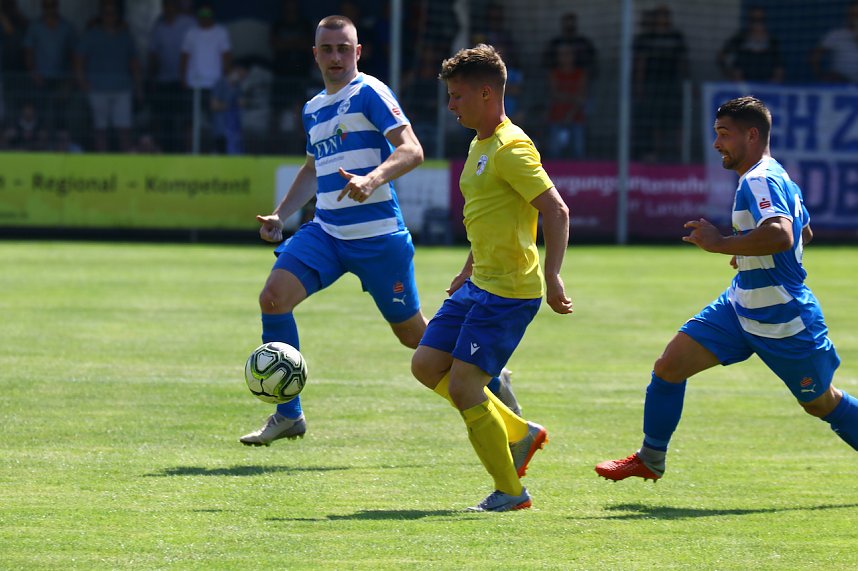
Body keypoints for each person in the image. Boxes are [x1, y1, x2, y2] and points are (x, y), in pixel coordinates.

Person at [238, 17, 523, 447]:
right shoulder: (313, 108)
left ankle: (491, 378)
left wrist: (372, 179)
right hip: (327, 232)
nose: (335, 56)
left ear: (357, 52)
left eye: (343, 48)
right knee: (272, 298)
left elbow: (412, 150)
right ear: (315, 55)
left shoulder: (369, 92)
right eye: (327, 49)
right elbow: (314, 168)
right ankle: (288, 413)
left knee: (415, 338)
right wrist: (281, 214)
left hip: (378, 239)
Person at [595, 96, 858, 483]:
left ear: (752, 135)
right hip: (739, 306)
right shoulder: (773, 173)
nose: (716, 143)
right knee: (669, 367)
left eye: (723, 134)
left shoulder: (759, 178)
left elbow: (783, 235)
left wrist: (722, 243)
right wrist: (749, 253)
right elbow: (804, 231)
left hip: (782, 316)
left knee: (821, 403)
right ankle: (651, 457)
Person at [411, 44, 573, 512]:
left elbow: (556, 209)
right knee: (425, 365)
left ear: (487, 93)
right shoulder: (479, 142)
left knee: (463, 387)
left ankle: (511, 491)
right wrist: (467, 269)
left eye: (458, 96)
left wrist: (555, 276)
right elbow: (487, 216)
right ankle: (521, 433)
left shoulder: (511, 147)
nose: (451, 106)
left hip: (508, 293)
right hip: (479, 283)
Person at [75, 0, 141, 152]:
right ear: (101, 15)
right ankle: (102, 164)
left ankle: (125, 163)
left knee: (124, 129)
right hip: (97, 89)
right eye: (106, 13)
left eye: (112, 13)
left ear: (118, 15)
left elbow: (135, 63)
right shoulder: (91, 35)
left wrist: (138, 87)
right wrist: (82, 81)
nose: (109, 17)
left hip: (122, 89)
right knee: (100, 130)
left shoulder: (126, 36)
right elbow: (79, 60)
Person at [631, 5, 688, 162]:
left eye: (666, 16)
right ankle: (657, 153)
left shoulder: (676, 37)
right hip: (652, 85)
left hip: (672, 85)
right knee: (655, 121)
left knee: (675, 121)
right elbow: (640, 64)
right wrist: (639, 86)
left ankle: (680, 155)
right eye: (661, 16)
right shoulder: (646, 39)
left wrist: (688, 83)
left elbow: (683, 62)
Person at [147, 0, 195, 152]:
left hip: (186, 82)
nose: (169, 9)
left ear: (177, 7)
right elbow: (153, 55)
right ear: (162, 8)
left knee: (187, 119)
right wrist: (152, 78)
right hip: (164, 81)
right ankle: (166, 151)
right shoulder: (159, 28)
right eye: (166, 6)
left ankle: (188, 151)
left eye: (172, 5)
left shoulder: (189, 23)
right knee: (165, 119)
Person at [718, 6, 784, 83]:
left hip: (766, 85)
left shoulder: (772, 41)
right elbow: (721, 57)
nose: (757, 24)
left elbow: (779, 65)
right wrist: (730, 75)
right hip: (742, 85)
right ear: (749, 21)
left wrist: (774, 82)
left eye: (760, 20)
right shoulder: (740, 38)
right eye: (753, 20)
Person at [545, 41, 588, 159]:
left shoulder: (580, 73)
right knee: (554, 153)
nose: (565, 57)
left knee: (578, 152)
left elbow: (582, 97)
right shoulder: (554, 73)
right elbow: (554, 94)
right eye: (561, 54)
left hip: (576, 117)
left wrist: (570, 114)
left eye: (568, 54)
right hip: (556, 117)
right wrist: (573, 98)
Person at [810, 1, 858, 84]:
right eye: (852, 15)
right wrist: (821, 76)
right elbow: (814, 57)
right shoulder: (836, 34)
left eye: (857, 15)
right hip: (841, 82)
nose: (854, 18)